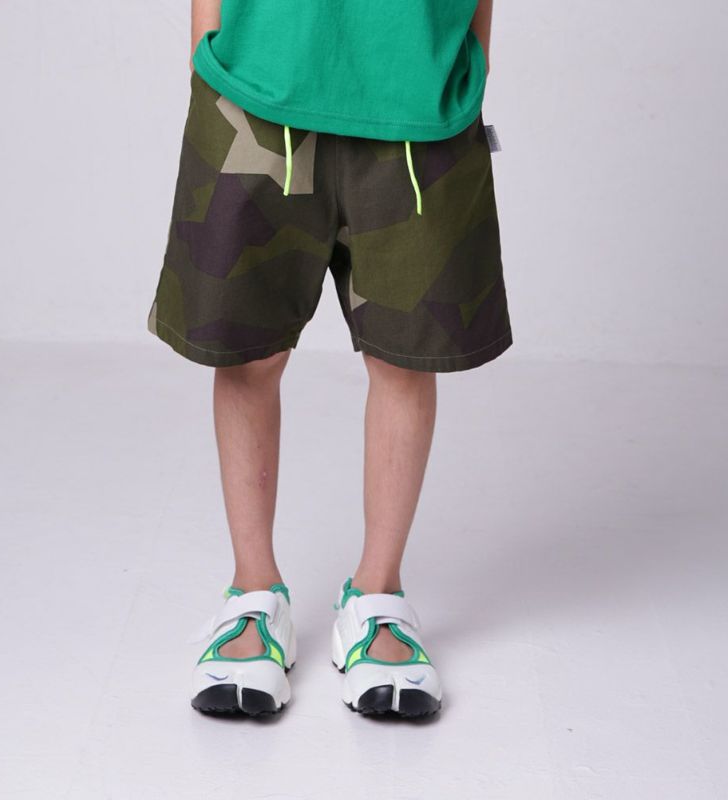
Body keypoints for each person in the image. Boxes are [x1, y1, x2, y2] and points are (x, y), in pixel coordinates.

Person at [147, 0, 512, 718]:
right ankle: (253, 593)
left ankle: (378, 597)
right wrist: (209, 46)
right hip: (256, 82)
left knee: (405, 361)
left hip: (418, 93)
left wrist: (469, 57)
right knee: (248, 354)